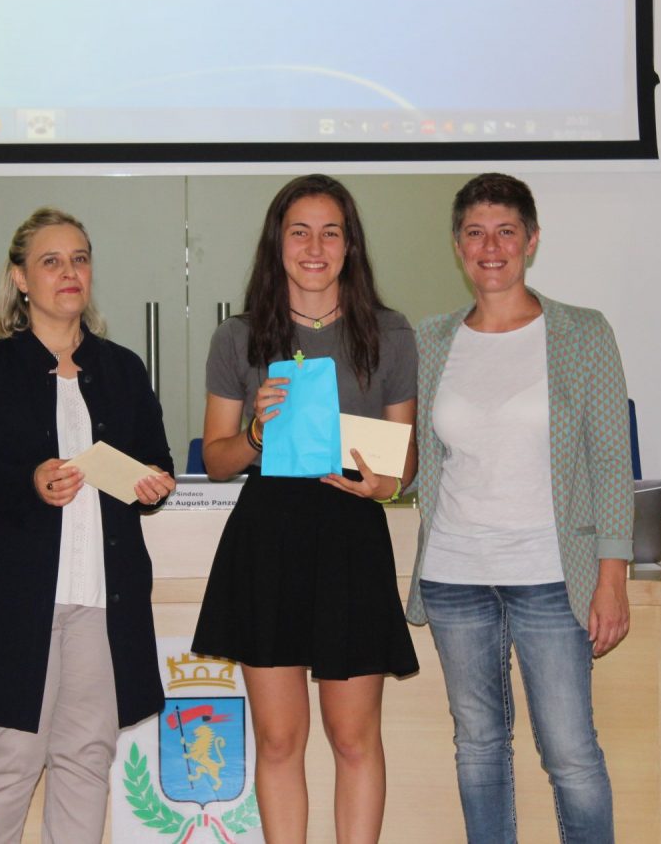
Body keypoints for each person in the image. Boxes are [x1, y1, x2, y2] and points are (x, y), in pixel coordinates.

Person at [0, 207, 176, 843]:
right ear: (20, 278)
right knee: (9, 759)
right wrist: (28, 482)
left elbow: (157, 462)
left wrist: (153, 483)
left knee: (86, 757)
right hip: (15, 603)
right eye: (51, 261)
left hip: (102, 600)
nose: (70, 272)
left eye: (80, 259)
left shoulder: (123, 369)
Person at [404, 173, 632, 843]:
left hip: (551, 577)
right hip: (454, 574)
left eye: (506, 231)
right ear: (457, 246)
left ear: (531, 241)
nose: (491, 247)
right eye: (475, 233)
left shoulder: (582, 333)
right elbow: (417, 455)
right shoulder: (432, 339)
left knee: (570, 752)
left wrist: (612, 577)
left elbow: (611, 460)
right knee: (477, 746)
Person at [191, 174, 419, 843]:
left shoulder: (390, 333)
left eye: (330, 233)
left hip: (351, 534)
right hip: (269, 538)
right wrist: (256, 435)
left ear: (350, 246)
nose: (315, 248)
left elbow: (404, 462)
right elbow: (217, 457)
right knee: (279, 738)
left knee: (353, 737)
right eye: (300, 232)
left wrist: (383, 484)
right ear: (277, 243)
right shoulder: (238, 336)